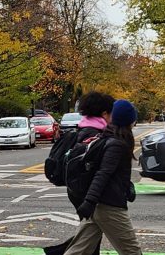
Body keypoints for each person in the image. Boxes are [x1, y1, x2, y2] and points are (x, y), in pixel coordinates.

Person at [64, 100, 141, 255]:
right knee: (132, 251)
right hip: (108, 206)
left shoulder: (108, 138)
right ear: (129, 120)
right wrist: (89, 202)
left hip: (98, 205)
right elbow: (103, 174)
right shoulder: (117, 144)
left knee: (78, 250)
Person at [45, 91, 115, 255]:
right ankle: (57, 252)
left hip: (75, 190)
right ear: (104, 113)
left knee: (90, 231)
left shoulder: (81, 130)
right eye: (111, 113)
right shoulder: (96, 135)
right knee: (91, 233)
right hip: (89, 193)